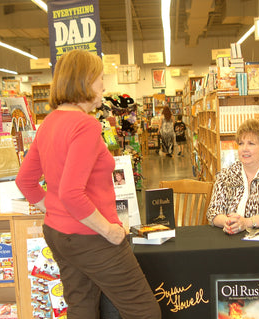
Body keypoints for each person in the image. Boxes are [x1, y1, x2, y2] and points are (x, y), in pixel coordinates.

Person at [15, 49, 161, 319]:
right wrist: (109, 230)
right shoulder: (85, 125)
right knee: (144, 312)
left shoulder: (49, 123)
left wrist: (55, 208)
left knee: (81, 307)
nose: (104, 85)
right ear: (83, 81)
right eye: (99, 78)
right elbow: (71, 192)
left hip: (59, 234)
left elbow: (25, 181)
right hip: (92, 237)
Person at [206, 119, 259, 234]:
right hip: (231, 237)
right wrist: (228, 222)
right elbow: (213, 212)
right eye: (241, 143)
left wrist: (246, 222)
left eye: (251, 143)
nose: (244, 148)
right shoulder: (227, 174)